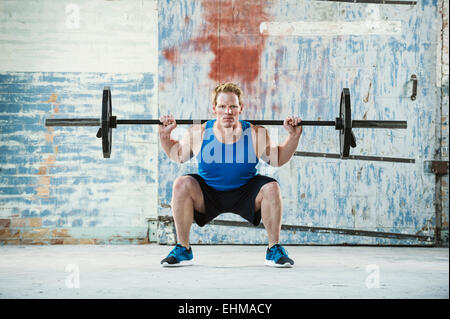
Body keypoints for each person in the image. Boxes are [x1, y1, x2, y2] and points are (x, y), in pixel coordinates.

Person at [158, 82, 302, 268]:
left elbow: (278, 159)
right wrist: (164, 137)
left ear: (241, 108)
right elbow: (178, 155)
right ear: (214, 109)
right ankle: (183, 248)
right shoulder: (199, 133)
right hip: (208, 194)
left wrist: (293, 136)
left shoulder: (256, 133)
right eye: (223, 106)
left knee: (272, 187)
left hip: (246, 193)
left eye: (233, 106)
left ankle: (274, 249)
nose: (228, 111)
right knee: (181, 184)